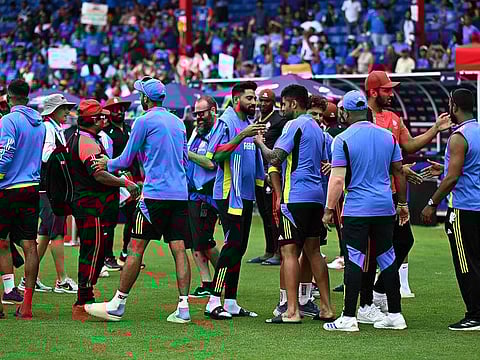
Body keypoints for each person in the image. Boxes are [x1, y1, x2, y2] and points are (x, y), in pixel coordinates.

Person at [84, 77, 192, 324]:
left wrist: (105, 163)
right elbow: (185, 160)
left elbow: (125, 159)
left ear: (145, 99)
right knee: (179, 250)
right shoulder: (178, 122)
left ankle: (118, 304)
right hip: (180, 194)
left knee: (135, 248)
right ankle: (184, 308)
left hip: (154, 195)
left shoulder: (144, 120)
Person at [362, 71, 451, 312]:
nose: (392, 94)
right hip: (370, 193)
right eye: (387, 90)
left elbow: (409, 145)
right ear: (373, 92)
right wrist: (399, 170)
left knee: (404, 241)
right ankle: (366, 301)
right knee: (372, 250)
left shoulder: (393, 118)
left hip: (391, 194)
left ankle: (378, 290)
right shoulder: (363, 120)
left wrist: (436, 129)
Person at [323, 90, 409, 332]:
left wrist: (329, 209)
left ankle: (349, 317)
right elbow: (399, 172)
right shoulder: (388, 137)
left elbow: (337, 180)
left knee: (354, 260)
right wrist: (402, 205)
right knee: (387, 258)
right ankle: (395, 314)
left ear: (346, 113)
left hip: (357, 209)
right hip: (384, 207)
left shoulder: (342, 139)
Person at [257, 85, 334, 324]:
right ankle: (326, 307)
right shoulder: (319, 131)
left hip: (295, 198)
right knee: (314, 252)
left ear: (293, 103)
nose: (282, 109)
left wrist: (260, 142)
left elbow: (275, 158)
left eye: (283, 104)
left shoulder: (293, 125)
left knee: (288, 252)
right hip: (316, 198)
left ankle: (292, 310)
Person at [69, 99, 139, 321]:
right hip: (92, 206)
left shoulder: (85, 138)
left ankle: (85, 296)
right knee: (93, 252)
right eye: (100, 116)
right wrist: (124, 183)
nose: (104, 118)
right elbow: (97, 174)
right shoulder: (87, 141)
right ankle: (83, 301)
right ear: (90, 119)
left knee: (95, 251)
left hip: (93, 205)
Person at [203, 81, 266, 320]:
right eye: (250, 98)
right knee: (231, 246)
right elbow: (214, 156)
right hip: (230, 194)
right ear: (237, 98)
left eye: (255, 98)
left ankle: (230, 301)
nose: (254, 103)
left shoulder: (249, 124)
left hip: (246, 194)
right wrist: (242, 136)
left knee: (239, 248)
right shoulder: (227, 121)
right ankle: (213, 300)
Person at [421, 88, 480, 330]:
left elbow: (453, 177)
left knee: (466, 263)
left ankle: (475, 315)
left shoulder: (459, 136)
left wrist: (432, 203)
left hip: (464, 209)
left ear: (454, 106)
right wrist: (443, 170)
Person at [18, 94, 78, 294]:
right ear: (53, 111)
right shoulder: (48, 129)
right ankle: (62, 280)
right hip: (48, 187)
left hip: (48, 186)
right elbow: (44, 156)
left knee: (45, 232)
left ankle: (29, 278)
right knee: (57, 232)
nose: (67, 112)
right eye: (63, 109)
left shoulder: (53, 128)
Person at [0, 79, 46, 318]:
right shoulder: (41, 124)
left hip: (7, 189)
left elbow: (5, 154)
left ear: (9, 97)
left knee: (1, 242)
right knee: (30, 246)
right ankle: (26, 305)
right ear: (27, 97)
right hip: (31, 188)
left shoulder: (8, 120)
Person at [185, 95, 221, 298]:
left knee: (205, 240)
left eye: (202, 113)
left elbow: (211, 163)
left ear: (213, 110)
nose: (198, 117)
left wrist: (186, 153)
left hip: (207, 193)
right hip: (192, 193)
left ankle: (225, 277)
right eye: (196, 113)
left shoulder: (218, 132)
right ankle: (207, 283)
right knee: (195, 241)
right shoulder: (196, 131)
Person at [102, 97, 143, 270]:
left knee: (133, 218)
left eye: (121, 108)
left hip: (131, 181)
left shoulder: (129, 129)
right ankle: (108, 257)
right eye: (115, 109)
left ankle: (125, 253)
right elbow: (107, 158)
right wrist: (118, 174)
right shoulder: (105, 132)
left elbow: (134, 156)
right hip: (114, 181)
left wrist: (138, 176)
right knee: (109, 220)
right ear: (109, 112)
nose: (119, 111)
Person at [248, 89, 286, 266]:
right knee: (264, 213)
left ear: (273, 102)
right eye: (260, 101)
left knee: (274, 214)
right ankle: (269, 250)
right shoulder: (257, 121)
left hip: (271, 173)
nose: (263, 104)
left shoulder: (279, 120)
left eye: (266, 101)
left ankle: (279, 252)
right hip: (258, 173)